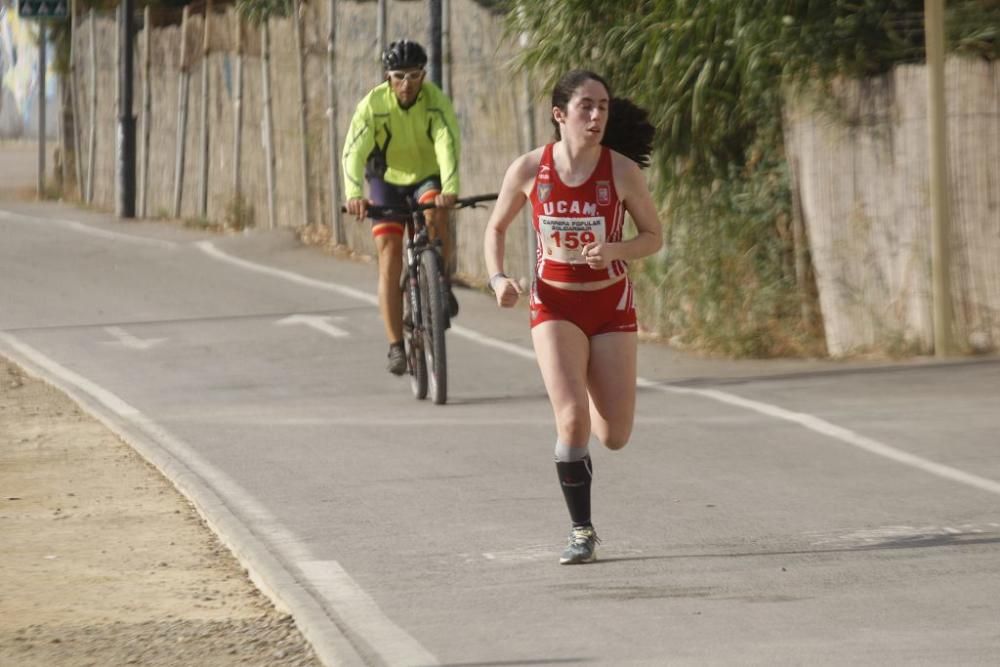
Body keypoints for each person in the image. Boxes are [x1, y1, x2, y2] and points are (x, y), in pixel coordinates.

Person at [483, 70, 662, 564]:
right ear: (560, 114)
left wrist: (615, 250)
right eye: (586, 106)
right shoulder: (528, 169)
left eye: (603, 106)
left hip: (610, 307)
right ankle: (581, 530)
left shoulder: (622, 172)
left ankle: (585, 379)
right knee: (572, 419)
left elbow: (653, 236)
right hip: (555, 306)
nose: (597, 115)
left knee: (615, 435)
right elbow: (495, 228)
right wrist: (499, 280)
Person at [343, 39, 461, 375]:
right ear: (387, 77)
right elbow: (353, 152)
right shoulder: (373, 105)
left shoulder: (435, 102)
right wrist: (354, 193)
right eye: (398, 76)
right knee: (390, 254)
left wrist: (450, 189)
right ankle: (396, 346)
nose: (406, 84)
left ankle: (441, 280)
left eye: (413, 76)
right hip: (386, 181)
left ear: (423, 76)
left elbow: (447, 143)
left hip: (425, 175)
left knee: (436, 212)